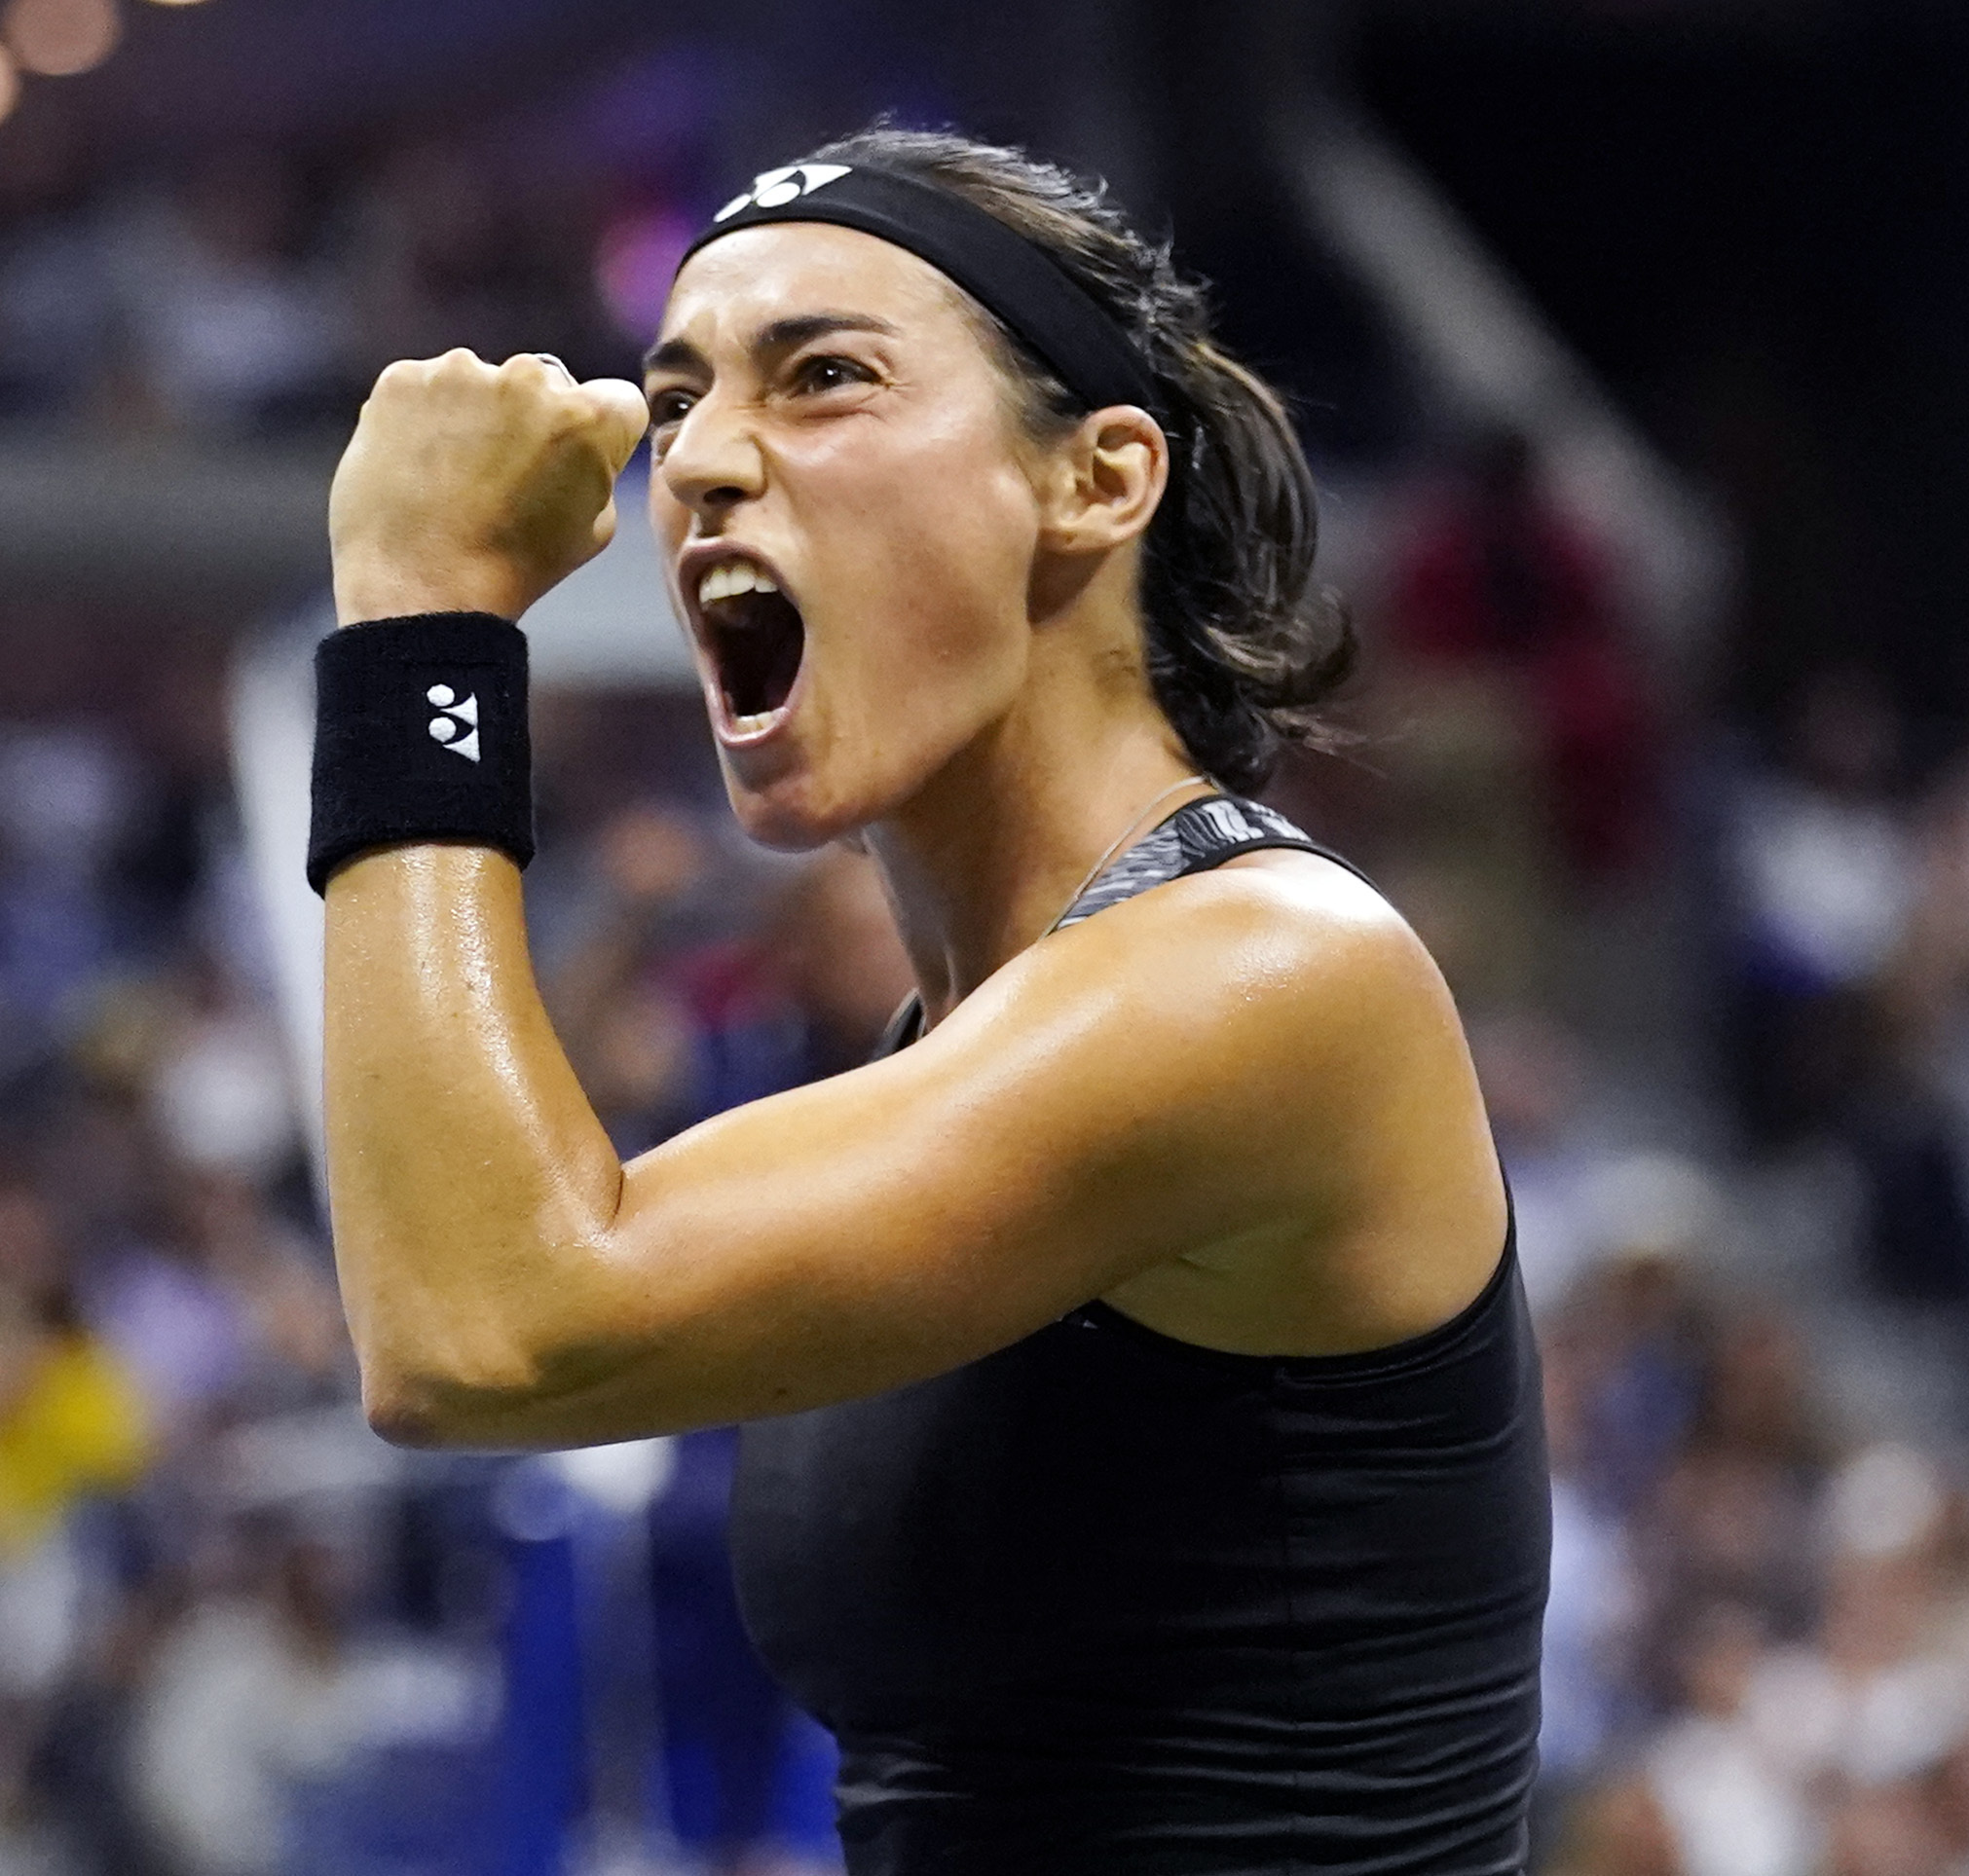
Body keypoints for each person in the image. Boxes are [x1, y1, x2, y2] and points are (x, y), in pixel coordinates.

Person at [308, 128, 1545, 1870]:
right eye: (677, 407)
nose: (709, 461)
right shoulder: (953, 1053)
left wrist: (420, 631)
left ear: (1100, 481)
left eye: (823, 378)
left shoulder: (1268, 975)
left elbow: (482, 1327)